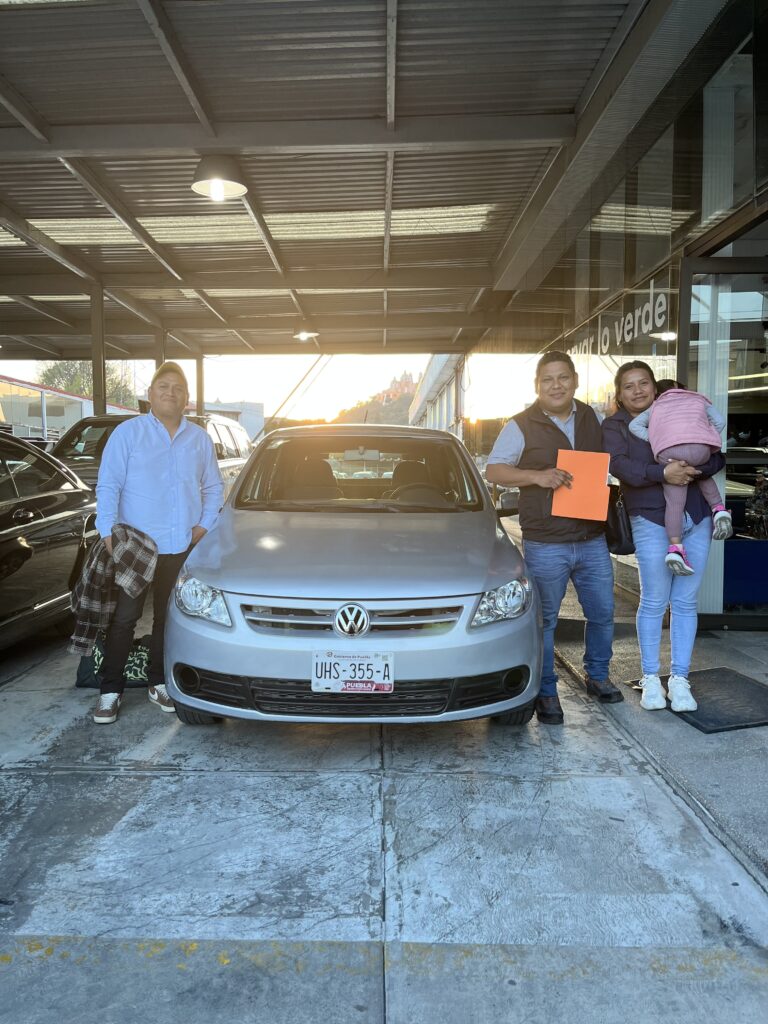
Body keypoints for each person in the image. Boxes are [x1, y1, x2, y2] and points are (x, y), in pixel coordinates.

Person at [486, 351, 621, 726]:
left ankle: (598, 675)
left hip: (592, 537)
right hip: (546, 541)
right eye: (548, 379)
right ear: (537, 385)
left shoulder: (592, 417)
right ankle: (546, 691)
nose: (556, 385)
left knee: (602, 614)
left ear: (575, 381)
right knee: (544, 621)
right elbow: (494, 470)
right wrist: (537, 476)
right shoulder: (520, 425)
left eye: (563, 377)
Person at [92, 362, 224, 724]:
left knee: (168, 618)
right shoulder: (128, 433)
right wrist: (108, 533)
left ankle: (158, 682)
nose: (170, 392)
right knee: (125, 618)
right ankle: (110, 690)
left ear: (187, 398)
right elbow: (108, 485)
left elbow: (214, 487)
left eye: (178, 388)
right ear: (150, 394)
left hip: (179, 546)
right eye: (163, 386)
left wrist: (202, 527)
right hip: (135, 547)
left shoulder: (199, 439)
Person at [602, 361, 726, 713]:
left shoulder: (676, 409)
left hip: (697, 516)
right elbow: (619, 466)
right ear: (619, 394)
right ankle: (651, 678)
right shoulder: (615, 425)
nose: (637, 390)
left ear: (654, 387)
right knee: (655, 599)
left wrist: (693, 468)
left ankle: (680, 679)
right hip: (651, 518)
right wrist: (663, 473)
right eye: (629, 386)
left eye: (644, 383)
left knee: (685, 602)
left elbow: (716, 455)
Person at [628, 378, 732, 574]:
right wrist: (704, 437)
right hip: (700, 448)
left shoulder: (656, 406)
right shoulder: (698, 400)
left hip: (670, 451)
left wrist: (658, 438)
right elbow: (719, 421)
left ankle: (675, 548)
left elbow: (634, 426)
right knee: (700, 472)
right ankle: (719, 510)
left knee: (674, 503)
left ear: (658, 394)